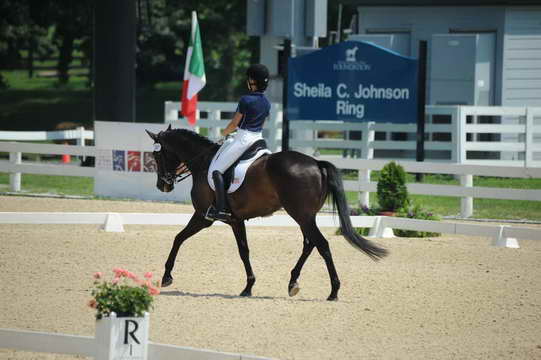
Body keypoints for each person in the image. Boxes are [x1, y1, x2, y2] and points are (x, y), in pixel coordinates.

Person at [205, 64, 271, 221]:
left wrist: (222, 134)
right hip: (258, 139)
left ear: (252, 81)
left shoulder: (245, 100)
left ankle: (220, 209)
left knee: (216, 170)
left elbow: (234, 124)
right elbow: (261, 125)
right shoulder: (267, 103)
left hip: (243, 139)